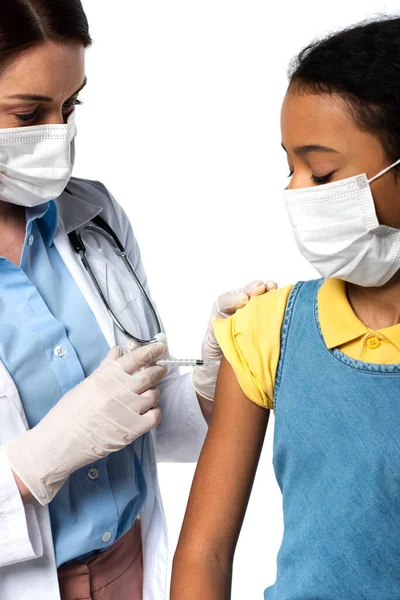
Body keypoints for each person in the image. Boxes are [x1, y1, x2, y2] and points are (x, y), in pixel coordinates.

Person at [0, 2, 277, 599]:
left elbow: (135, 416)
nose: (59, 133)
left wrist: (209, 384)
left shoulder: (92, 215)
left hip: (131, 566)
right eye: (28, 114)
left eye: (70, 106)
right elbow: (74, 432)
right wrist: (31, 464)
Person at [171, 16, 400, 600]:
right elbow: (205, 551)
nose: (297, 191)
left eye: (322, 171)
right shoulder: (267, 328)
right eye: (289, 166)